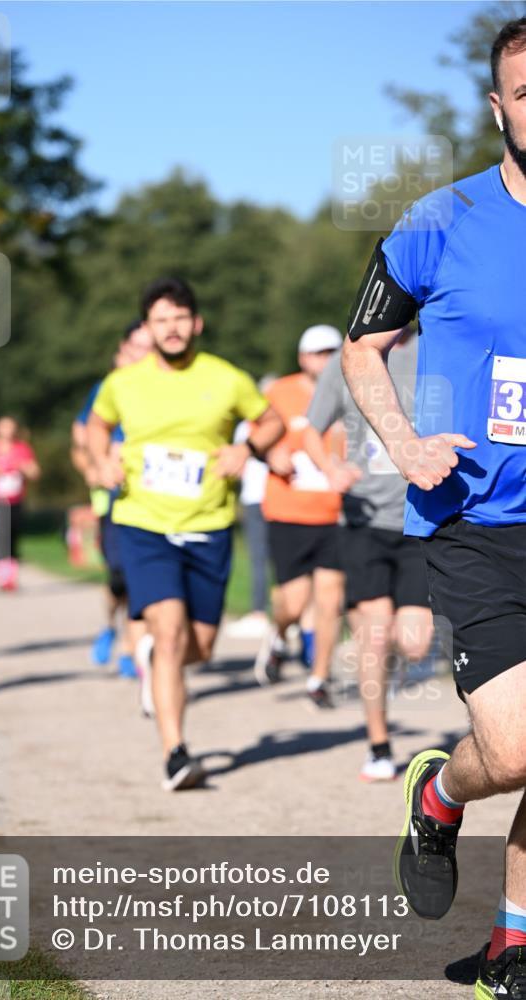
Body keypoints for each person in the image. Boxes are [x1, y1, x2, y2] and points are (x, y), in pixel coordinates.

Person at [341, 18, 526, 997]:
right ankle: (440, 790)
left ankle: (513, 946)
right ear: (498, 107)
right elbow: (362, 344)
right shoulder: (438, 220)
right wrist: (403, 442)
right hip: (473, 519)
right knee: (514, 747)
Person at [87, 277, 283, 790]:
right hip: (143, 523)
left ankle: (157, 658)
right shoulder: (123, 383)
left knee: (199, 646)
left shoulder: (226, 378)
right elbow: (94, 426)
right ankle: (176, 753)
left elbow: (271, 421)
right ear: (147, 328)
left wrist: (247, 450)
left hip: (208, 526)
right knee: (170, 632)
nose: (171, 329)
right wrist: (100, 458)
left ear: (196, 323)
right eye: (160, 320)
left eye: (179, 318)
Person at [303, 326, 433, 781]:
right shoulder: (350, 358)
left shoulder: (435, 350)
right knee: (375, 637)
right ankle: (379, 745)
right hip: (364, 521)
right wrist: (330, 466)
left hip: (422, 519)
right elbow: (311, 434)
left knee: (415, 642)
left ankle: (390, 667)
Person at [254, 325, 345, 709]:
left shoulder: (352, 390)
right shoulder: (279, 392)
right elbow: (254, 438)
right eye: (317, 353)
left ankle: (319, 677)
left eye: (332, 352)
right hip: (288, 510)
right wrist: (269, 455)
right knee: (293, 602)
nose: (324, 360)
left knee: (330, 600)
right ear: (302, 358)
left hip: (336, 513)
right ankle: (279, 635)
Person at [72, 321, 153, 677]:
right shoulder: (108, 388)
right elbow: (81, 438)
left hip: (152, 495)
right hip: (113, 497)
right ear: (123, 350)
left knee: (143, 572)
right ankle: (110, 625)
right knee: (118, 576)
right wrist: (94, 465)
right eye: (136, 347)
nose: (142, 355)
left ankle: (132, 644)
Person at [223, 373, 278, 640]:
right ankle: (264, 613)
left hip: (269, 498)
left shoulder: (257, 426)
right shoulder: (249, 426)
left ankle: (268, 615)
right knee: (262, 559)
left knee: (269, 560)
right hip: (257, 498)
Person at [0, 417, 40, 591]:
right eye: (3, 427)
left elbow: (35, 472)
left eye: (10, 427)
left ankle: (10, 576)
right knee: (0, 538)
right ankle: (4, 578)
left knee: (13, 537)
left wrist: (23, 467)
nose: (7, 431)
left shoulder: (22, 449)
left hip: (16, 501)